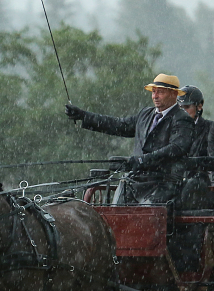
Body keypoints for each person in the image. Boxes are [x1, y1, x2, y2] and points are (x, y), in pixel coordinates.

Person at [64, 73, 194, 204]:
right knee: (114, 213)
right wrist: (83, 116)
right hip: (134, 182)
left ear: (173, 94)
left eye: (160, 92)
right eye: (153, 92)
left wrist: (142, 160)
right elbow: (119, 125)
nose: (155, 96)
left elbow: (177, 147)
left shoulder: (182, 118)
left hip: (164, 184)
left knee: (146, 216)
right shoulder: (145, 114)